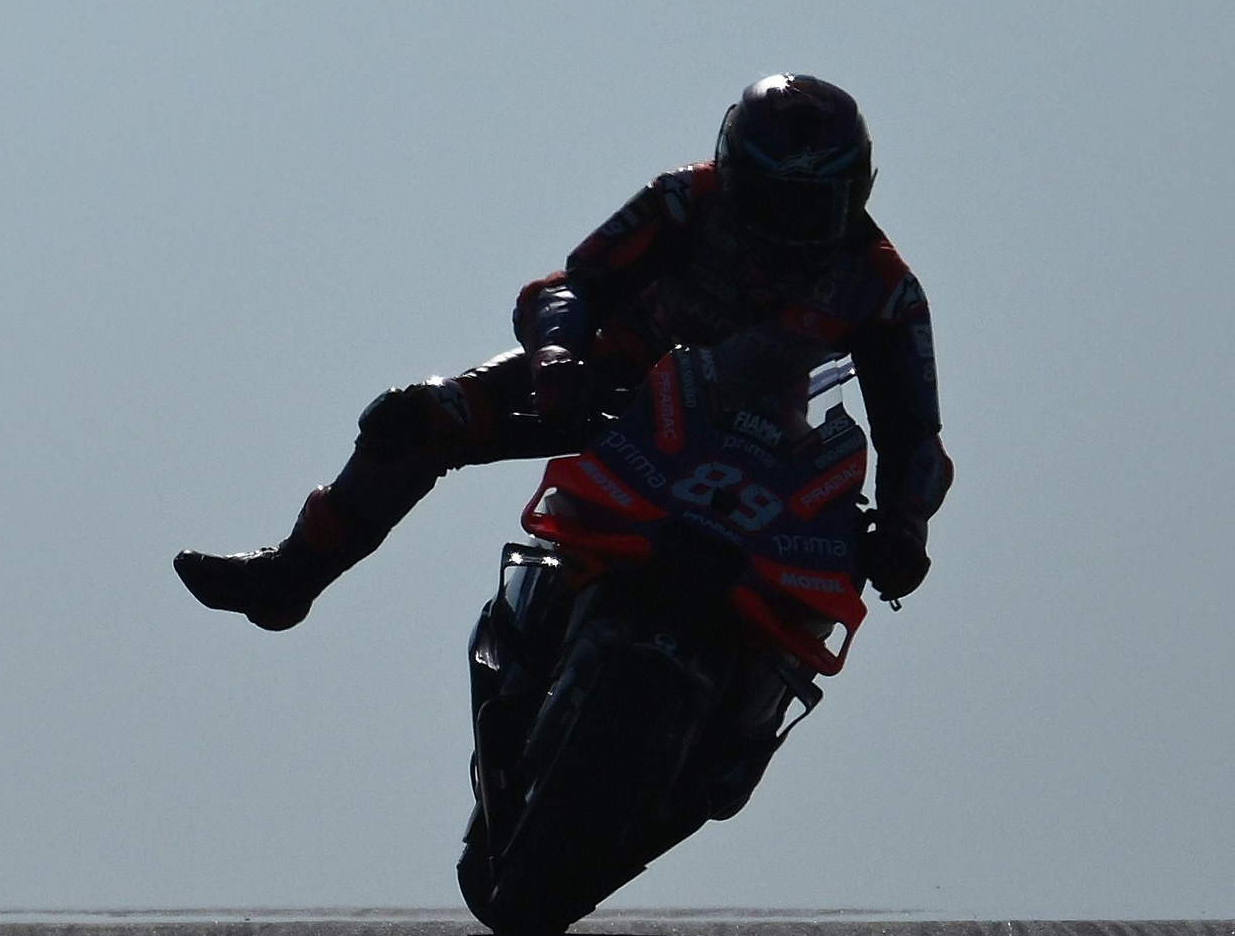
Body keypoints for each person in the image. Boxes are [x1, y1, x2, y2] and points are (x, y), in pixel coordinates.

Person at [175, 73, 953, 631]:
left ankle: (740, 718)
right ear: (733, 173)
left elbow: (916, 435)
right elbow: (575, 284)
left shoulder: (884, 289)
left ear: (855, 195)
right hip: (617, 389)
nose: (782, 229)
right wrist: (556, 358)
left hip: (772, 458)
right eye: (767, 198)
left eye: (808, 205)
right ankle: (291, 575)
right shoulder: (686, 198)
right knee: (411, 418)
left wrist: (906, 524)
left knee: (840, 572)